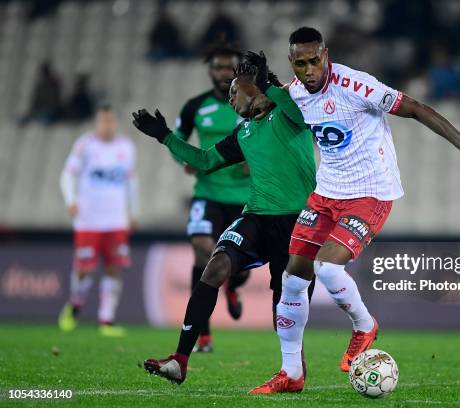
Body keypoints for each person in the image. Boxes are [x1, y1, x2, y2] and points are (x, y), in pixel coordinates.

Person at [247, 27, 460, 394]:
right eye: (301, 64)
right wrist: (254, 87)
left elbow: (415, 108)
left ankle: (364, 325)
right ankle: (291, 374)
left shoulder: (355, 85)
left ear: (326, 55)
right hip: (326, 193)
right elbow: (262, 105)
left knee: (326, 266)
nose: (309, 70)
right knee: (293, 278)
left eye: (314, 61)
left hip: (370, 192)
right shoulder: (294, 93)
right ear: (292, 63)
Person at [133, 62, 316, 385]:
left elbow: (295, 107)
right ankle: (180, 360)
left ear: (252, 88)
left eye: (235, 91)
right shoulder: (243, 133)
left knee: (283, 311)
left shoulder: (291, 114)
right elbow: (204, 161)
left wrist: (267, 79)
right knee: (215, 265)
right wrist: (164, 136)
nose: (230, 99)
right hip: (257, 217)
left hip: (298, 224)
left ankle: (294, 372)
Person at [173, 44, 251, 353]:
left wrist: (255, 162)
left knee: (239, 266)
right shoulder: (195, 106)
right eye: (217, 67)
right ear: (210, 70)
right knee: (202, 250)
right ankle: (202, 334)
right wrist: (184, 160)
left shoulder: (253, 104)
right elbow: (178, 138)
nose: (222, 73)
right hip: (208, 193)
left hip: (244, 197)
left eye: (227, 67)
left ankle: (233, 284)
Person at [58, 104, 138, 337]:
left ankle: (106, 320)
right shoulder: (85, 145)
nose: (107, 125)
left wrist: (134, 211)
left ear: (116, 122)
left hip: (116, 219)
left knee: (114, 267)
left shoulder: (126, 147)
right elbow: (67, 174)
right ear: (97, 123)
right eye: (103, 121)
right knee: (85, 269)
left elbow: (131, 182)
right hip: (88, 219)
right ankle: (76, 302)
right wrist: (70, 200)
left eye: (110, 121)